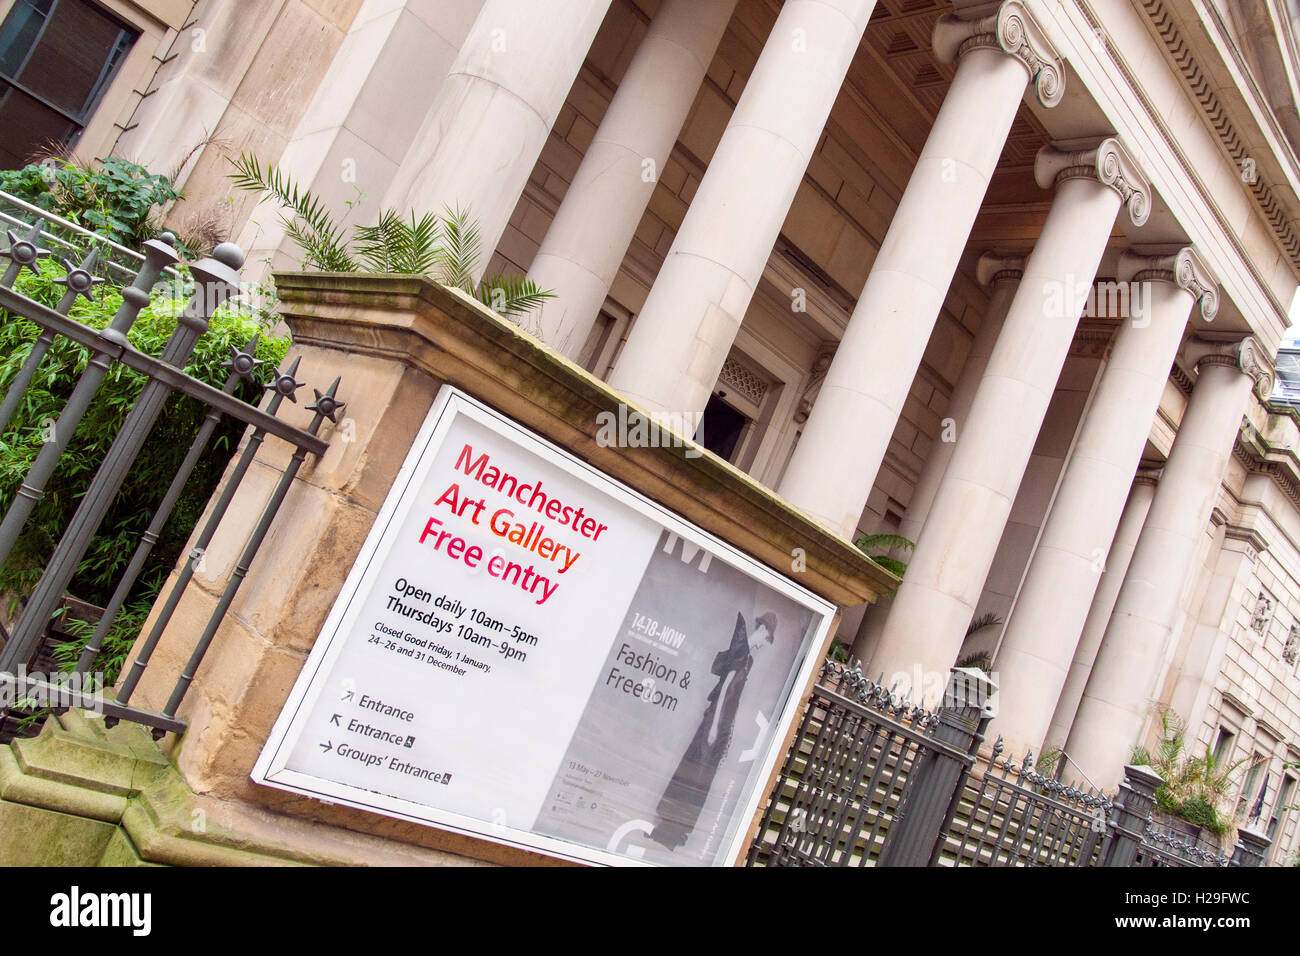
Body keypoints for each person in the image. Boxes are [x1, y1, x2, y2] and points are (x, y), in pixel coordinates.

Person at [650, 610, 777, 851]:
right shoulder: (741, 653)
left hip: (723, 723)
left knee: (703, 775)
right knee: (697, 771)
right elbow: (725, 689)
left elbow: (732, 694)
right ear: (762, 630)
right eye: (766, 638)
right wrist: (715, 727)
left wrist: (723, 730)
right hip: (717, 722)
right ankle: (671, 825)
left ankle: (677, 828)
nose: (763, 645)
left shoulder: (746, 657)